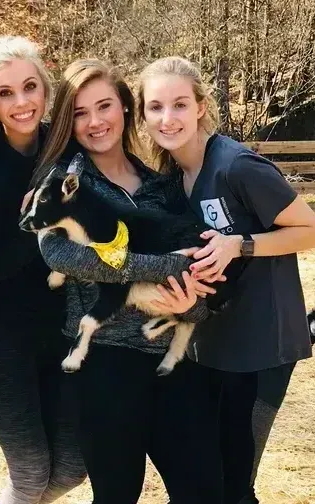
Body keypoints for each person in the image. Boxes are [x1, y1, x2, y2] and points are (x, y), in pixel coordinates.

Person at [33, 58, 225, 504]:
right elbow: (60, 254)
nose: (95, 122)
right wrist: (163, 267)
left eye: (105, 106)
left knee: (205, 490)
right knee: (117, 494)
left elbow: (199, 280)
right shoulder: (67, 183)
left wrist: (189, 306)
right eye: (80, 113)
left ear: (125, 107)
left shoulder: (165, 185)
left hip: (171, 360)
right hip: (103, 363)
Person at [138, 55, 315, 504]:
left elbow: (309, 228)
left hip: (262, 348)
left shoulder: (238, 167)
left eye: (179, 104)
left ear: (200, 106)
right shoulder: (173, 176)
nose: (168, 117)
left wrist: (241, 243)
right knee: (207, 477)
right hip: (209, 344)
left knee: (236, 484)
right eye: (155, 107)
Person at [0, 36, 86, 504]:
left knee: (72, 469)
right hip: (6, 338)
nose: (20, 102)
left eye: (29, 87)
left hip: (71, 331)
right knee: (31, 474)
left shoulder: (71, 147)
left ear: (45, 89)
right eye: (5, 93)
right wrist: (31, 227)